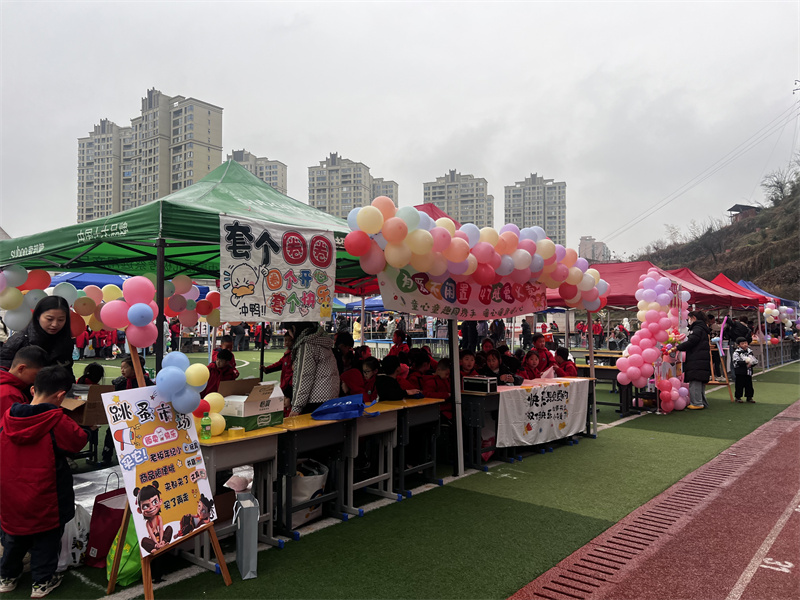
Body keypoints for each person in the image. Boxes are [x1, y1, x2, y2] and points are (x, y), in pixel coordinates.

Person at [0, 366, 88, 598]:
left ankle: (7, 577)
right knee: (46, 539)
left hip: (11, 494)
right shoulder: (56, 420)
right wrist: (87, 428)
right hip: (46, 494)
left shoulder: (8, 417)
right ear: (61, 396)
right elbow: (78, 441)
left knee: (14, 537)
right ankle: (42, 581)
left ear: (32, 389)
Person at [0, 296, 74, 377]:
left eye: (61, 320)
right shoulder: (19, 340)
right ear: (38, 316)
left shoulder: (66, 341)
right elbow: (3, 371)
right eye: (49, 319)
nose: (55, 324)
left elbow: (67, 371)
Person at [285, 322, 339, 416]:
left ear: (294, 329)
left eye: (289, 331)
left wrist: (296, 407)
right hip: (330, 397)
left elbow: (304, 377)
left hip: (315, 401)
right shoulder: (321, 342)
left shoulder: (306, 346)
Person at [675, 310, 711, 410]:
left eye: (689, 319)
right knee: (700, 382)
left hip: (696, 358)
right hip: (701, 358)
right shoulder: (703, 328)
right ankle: (702, 402)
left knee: (695, 380)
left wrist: (677, 347)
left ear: (694, 318)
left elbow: (691, 342)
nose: (688, 321)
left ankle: (697, 403)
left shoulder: (697, 329)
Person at [0, 345, 47, 419]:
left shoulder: (9, 385)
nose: (37, 379)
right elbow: (14, 424)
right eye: (36, 375)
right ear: (21, 368)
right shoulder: (10, 395)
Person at [262, 332, 293, 401]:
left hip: (290, 385)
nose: (287, 342)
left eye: (289, 340)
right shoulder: (287, 354)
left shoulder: (294, 354)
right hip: (285, 384)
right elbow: (279, 364)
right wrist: (267, 369)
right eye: (285, 340)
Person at [732, 337, 758, 403]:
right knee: (739, 385)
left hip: (748, 371)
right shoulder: (736, 352)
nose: (745, 345)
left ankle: (749, 397)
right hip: (740, 371)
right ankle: (738, 397)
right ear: (738, 345)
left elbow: (754, 359)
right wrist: (745, 362)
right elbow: (736, 362)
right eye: (742, 343)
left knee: (749, 385)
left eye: (746, 343)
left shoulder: (749, 351)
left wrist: (752, 363)